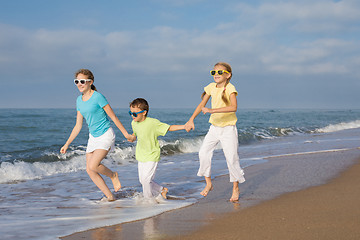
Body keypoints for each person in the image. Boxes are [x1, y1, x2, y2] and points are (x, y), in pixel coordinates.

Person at [60, 69, 135, 201]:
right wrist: (67, 143)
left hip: (106, 134)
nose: (79, 84)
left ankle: (113, 175)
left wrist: (126, 134)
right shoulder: (79, 100)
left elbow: (113, 117)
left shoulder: (98, 97)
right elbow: (78, 125)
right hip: (93, 137)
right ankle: (110, 197)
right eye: (76, 81)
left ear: (90, 82)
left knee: (94, 165)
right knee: (90, 170)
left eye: (82, 81)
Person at [185, 62, 245, 202]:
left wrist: (212, 111)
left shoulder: (230, 88)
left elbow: (233, 107)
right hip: (214, 128)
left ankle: (235, 187)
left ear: (228, 75)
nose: (216, 75)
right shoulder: (211, 87)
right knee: (203, 152)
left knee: (232, 159)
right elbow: (201, 105)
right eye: (214, 72)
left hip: (228, 128)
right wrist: (191, 119)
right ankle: (208, 183)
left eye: (219, 72)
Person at [128, 98, 185, 202]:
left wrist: (185, 126)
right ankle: (162, 190)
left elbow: (169, 128)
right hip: (141, 155)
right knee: (143, 180)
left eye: (135, 114)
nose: (132, 116)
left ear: (144, 112)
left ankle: (149, 201)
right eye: (130, 113)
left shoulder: (153, 123)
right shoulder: (134, 123)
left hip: (152, 155)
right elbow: (134, 134)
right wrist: (131, 138)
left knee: (146, 180)